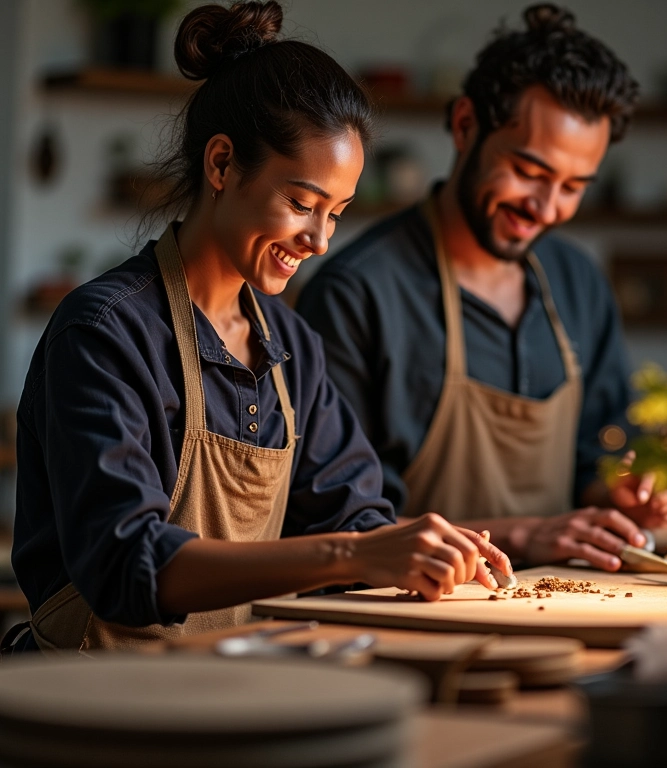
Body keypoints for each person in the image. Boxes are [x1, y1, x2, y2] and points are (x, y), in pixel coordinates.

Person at [8, 0, 511, 654]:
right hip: (97, 696)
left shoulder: (291, 346)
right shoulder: (106, 332)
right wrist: (354, 553)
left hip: (240, 685)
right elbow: (126, 564)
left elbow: (352, 513)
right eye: (301, 203)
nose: (320, 240)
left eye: (337, 213)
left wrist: (418, 546)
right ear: (221, 165)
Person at [297, 3, 667, 572]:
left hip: (564, 603)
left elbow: (597, 455)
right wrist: (527, 535)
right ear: (464, 125)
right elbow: (337, 526)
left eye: (573, 186)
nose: (546, 209)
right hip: (410, 611)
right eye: (528, 172)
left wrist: (622, 493)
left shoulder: (578, 283)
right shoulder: (356, 295)